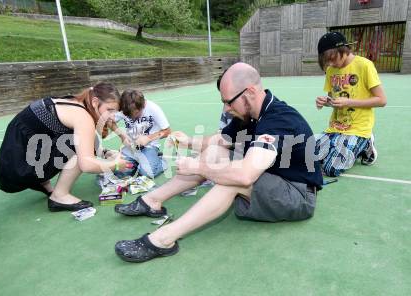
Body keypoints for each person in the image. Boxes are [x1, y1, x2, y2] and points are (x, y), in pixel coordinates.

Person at [113, 62, 323, 263]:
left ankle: (163, 239)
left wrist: (198, 167)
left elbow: (244, 176)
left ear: (249, 92)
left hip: (298, 194)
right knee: (215, 152)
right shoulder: (249, 114)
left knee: (233, 179)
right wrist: (187, 141)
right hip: (275, 179)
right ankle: (153, 201)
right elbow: (217, 141)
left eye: (228, 101)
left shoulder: (279, 119)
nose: (225, 108)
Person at [0, 82, 130, 211]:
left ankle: (42, 182)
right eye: (109, 110)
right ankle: (59, 196)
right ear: (95, 102)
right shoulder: (83, 117)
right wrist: (116, 164)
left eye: (115, 112)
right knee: (79, 147)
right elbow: (86, 164)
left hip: (14, 157)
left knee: (82, 140)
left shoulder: (78, 102)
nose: (112, 116)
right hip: (16, 169)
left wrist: (104, 152)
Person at [315, 32, 387, 177]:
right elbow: (334, 99)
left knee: (331, 169)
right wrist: (326, 102)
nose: (330, 64)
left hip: (357, 128)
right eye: (326, 61)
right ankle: (342, 146)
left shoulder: (364, 65)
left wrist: (349, 102)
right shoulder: (331, 70)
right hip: (335, 128)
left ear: (343, 50)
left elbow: (381, 100)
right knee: (308, 157)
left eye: (332, 59)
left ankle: (366, 144)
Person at [111, 89, 171, 178]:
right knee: (119, 172)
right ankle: (138, 163)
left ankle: (161, 161)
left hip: (149, 147)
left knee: (148, 173)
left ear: (142, 106)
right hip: (130, 147)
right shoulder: (124, 108)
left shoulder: (153, 108)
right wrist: (122, 136)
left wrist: (148, 138)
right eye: (128, 115)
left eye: (135, 114)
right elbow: (110, 121)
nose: (133, 118)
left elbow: (167, 131)